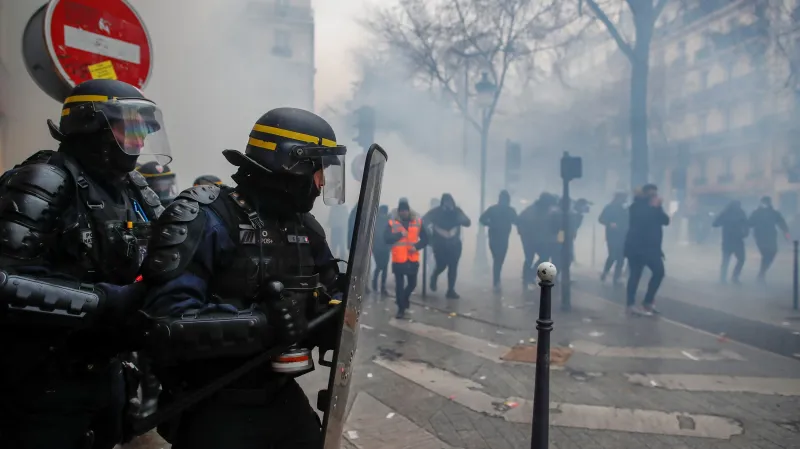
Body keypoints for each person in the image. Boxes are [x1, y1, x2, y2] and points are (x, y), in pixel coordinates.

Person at [139, 107, 347, 449]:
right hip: (213, 398)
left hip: (277, 391)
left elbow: (329, 294)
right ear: (292, 164)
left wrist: (331, 316)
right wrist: (264, 325)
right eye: (319, 170)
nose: (322, 182)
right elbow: (162, 322)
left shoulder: (305, 227)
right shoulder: (204, 217)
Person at [0, 79, 169, 449]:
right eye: (131, 127)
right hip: (40, 379)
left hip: (106, 372)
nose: (140, 140)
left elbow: (174, 250)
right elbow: (5, 278)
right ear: (90, 123)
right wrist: (106, 301)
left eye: (145, 129)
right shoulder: (46, 178)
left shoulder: (134, 187)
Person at [624, 184, 670, 316]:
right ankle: (630, 305)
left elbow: (665, 221)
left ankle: (648, 302)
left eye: (655, 194)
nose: (654, 197)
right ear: (645, 195)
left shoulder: (655, 208)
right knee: (635, 276)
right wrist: (654, 207)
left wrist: (658, 207)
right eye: (652, 194)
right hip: (636, 248)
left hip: (652, 249)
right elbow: (642, 220)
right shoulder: (636, 206)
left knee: (659, 272)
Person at [385, 199, 428, 318]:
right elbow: (386, 238)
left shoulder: (417, 222)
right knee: (399, 285)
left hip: (412, 258)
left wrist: (417, 246)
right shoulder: (392, 222)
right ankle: (401, 309)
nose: (404, 213)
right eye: (401, 211)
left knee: (412, 284)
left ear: (409, 211)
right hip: (398, 259)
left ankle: (404, 299)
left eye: (405, 210)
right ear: (399, 211)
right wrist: (399, 235)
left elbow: (425, 239)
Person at [424, 193, 471, 299]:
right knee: (441, 265)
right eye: (446, 202)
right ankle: (434, 276)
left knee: (453, 267)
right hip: (440, 245)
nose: (448, 204)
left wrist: (462, 220)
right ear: (442, 203)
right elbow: (424, 220)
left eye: (450, 202)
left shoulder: (457, 211)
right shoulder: (436, 212)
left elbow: (467, 222)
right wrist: (430, 227)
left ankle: (450, 290)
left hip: (454, 245)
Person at [479, 190, 517, 292]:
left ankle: (496, 281)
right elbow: (517, 221)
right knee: (499, 260)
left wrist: (490, 224)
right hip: (502, 238)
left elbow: (482, 219)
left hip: (494, 237)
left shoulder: (493, 209)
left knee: (497, 259)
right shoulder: (510, 210)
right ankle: (496, 281)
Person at [516, 193, 557, 286]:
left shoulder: (548, 211)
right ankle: (526, 278)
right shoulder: (530, 210)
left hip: (540, 239)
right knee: (529, 259)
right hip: (529, 239)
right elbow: (519, 221)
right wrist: (523, 232)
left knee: (544, 257)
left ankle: (529, 275)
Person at [748, 196, 790, 283]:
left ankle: (761, 273)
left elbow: (782, 223)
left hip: (770, 236)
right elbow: (749, 223)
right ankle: (761, 274)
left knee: (772, 253)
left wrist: (786, 234)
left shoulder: (773, 212)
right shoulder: (757, 213)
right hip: (760, 236)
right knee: (766, 254)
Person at [713, 200, 748, 284]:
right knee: (741, 259)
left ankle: (722, 279)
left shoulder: (725, 213)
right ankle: (735, 277)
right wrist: (745, 234)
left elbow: (715, 223)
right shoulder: (741, 212)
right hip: (738, 241)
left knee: (725, 261)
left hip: (727, 241)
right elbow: (746, 225)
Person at [599, 192, 628, 285]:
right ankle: (605, 272)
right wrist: (609, 223)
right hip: (612, 236)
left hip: (623, 235)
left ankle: (616, 277)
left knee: (621, 258)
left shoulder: (625, 209)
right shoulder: (609, 207)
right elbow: (601, 219)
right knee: (612, 256)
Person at [372, 205, 391, 295]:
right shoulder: (377, 221)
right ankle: (376, 283)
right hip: (379, 247)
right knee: (380, 266)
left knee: (384, 267)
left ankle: (381, 286)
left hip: (384, 247)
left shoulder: (386, 220)